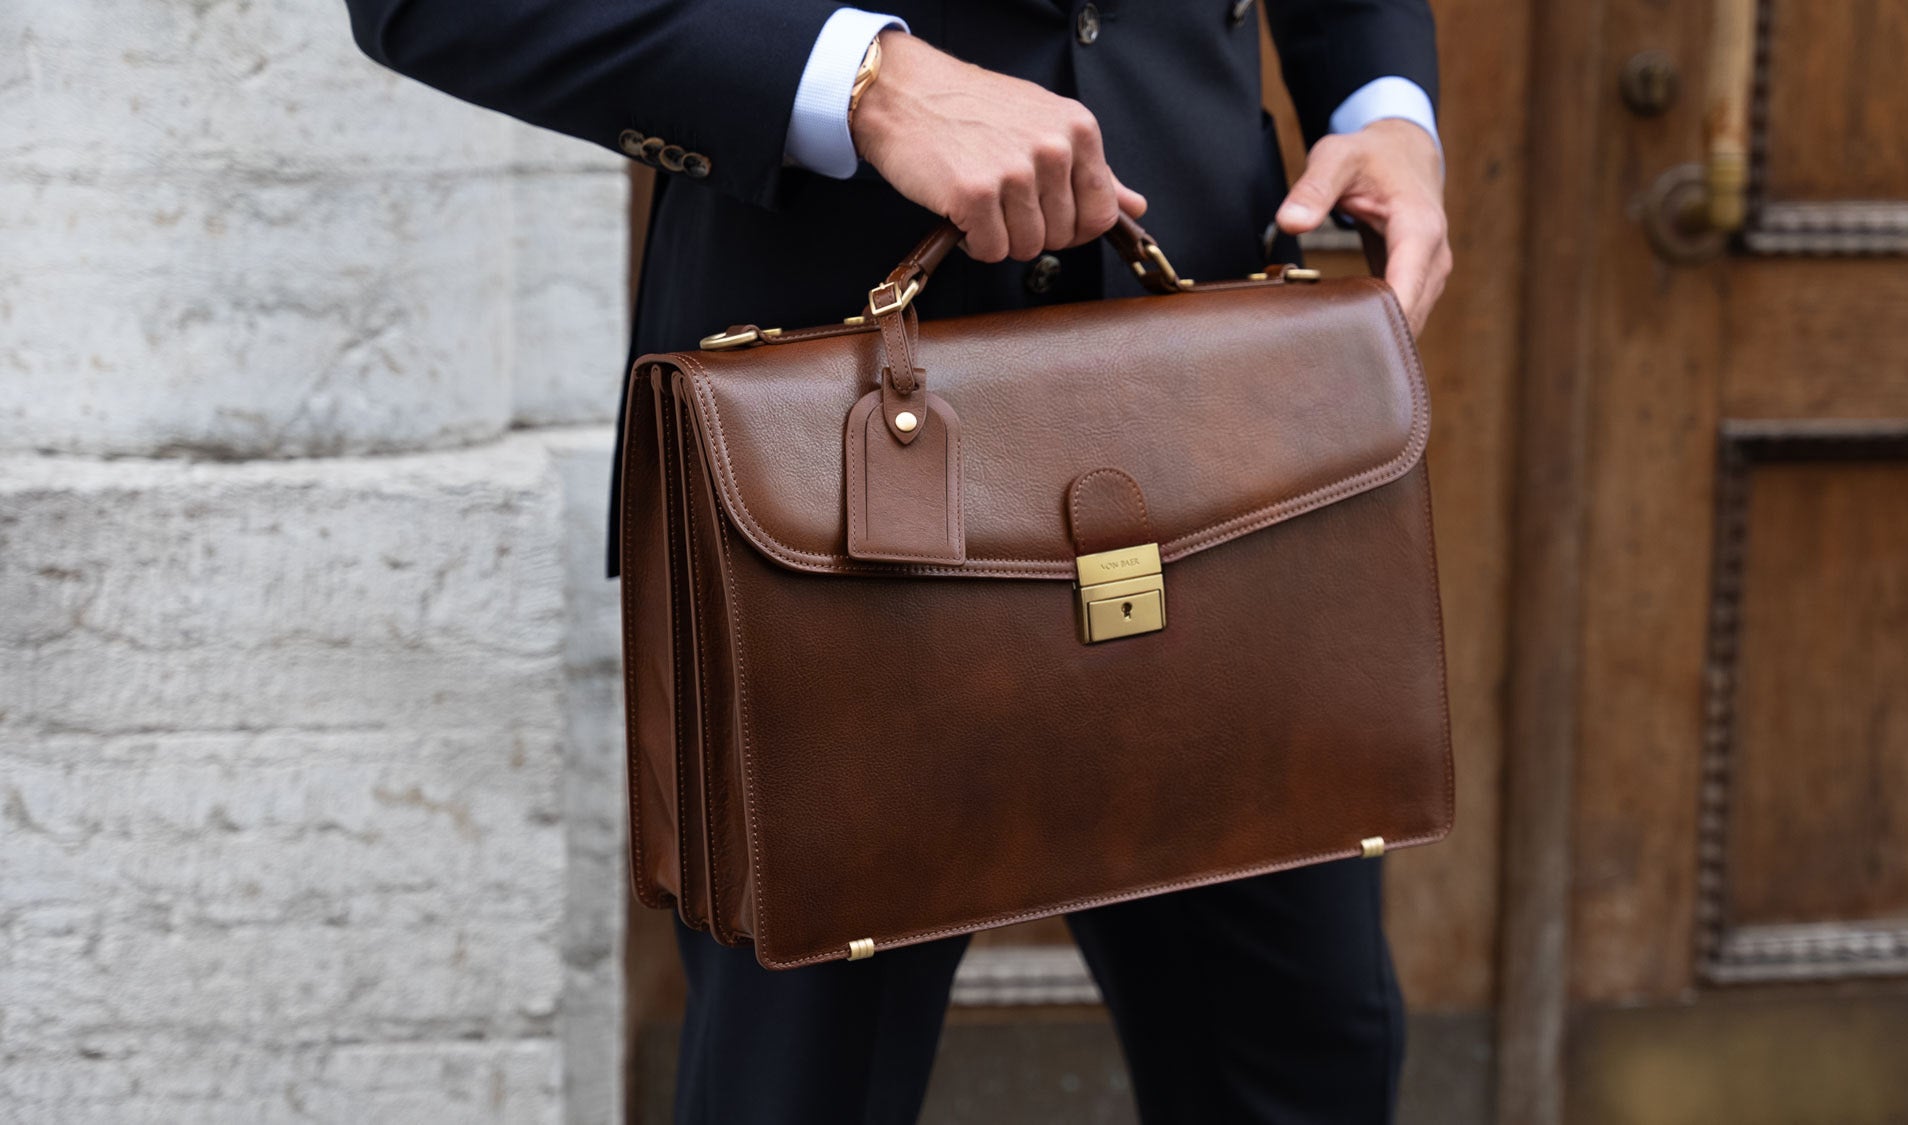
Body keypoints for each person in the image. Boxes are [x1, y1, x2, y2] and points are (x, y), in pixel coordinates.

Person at [343, 3, 1451, 1122]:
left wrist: (1385, 108)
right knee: (799, 1091)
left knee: (1305, 1074)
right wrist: (859, 81)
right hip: (812, 506)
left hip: (1220, 424)